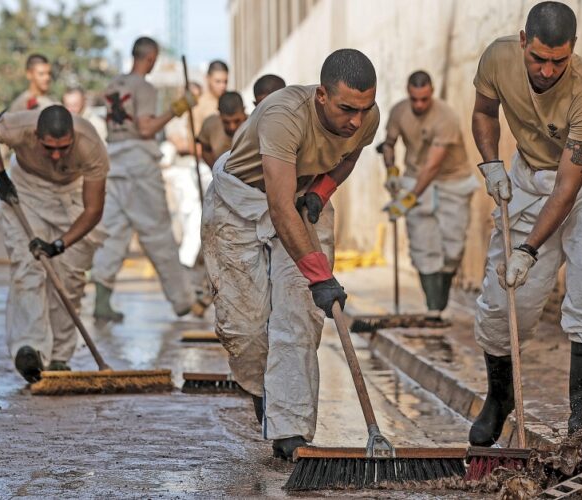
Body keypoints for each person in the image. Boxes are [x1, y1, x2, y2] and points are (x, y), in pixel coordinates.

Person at [468, 1, 582, 445]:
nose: (546, 71)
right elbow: (485, 112)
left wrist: (528, 249)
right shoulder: (497, 57)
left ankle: (580, 425)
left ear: (574, 50)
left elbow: (568, 187)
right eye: (538, 59)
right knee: (501, 304)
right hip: (530, 176)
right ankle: (499, 399)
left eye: (558, 61)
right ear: (523, 41)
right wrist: (491, 164)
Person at [202, 49, 379, 459]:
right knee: (246, 330)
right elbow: (279, 208)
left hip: (300, 200)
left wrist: (321, 191)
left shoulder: (367, 117)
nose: (356, 120)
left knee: (298, 317)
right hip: (241, 203)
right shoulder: (284, 115)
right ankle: (263, 389)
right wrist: (321, 275)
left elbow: (350, 155)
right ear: (322, 95)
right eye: (346, 108)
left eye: (364, 108)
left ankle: (291, 428)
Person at [0, 105, 109, 382]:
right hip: (26, 190)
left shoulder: (91, 144)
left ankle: (60, 357)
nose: (57, 155)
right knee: (28, 267)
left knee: (70, 278)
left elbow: (93, 210)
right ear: (36, 136)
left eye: (64, 147)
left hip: (71, 196)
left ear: (73, 136)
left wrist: (59, 245)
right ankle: (30, 350)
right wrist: (1, 175)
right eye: (49, 148)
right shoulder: (16, 126)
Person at [90, 37, 203, 323]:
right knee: (157, 232)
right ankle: (182, 300)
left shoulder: (114, 85)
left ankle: (101, 301)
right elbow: (145, 127)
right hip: (138, 163)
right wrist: (177, 107)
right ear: (151, 57)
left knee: (114, 232)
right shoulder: (145, 88)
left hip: (113, 162)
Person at [380, 71, 478, 324]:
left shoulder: (446, 117)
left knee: (452, 248)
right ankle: (433, 309)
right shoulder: (399, 111)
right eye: (414, 99)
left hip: (451, 181)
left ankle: (441, 300)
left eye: (424, 99)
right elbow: (388, 143)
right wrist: (391, 170)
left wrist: (407, 200)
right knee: (423, 244)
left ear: (431, 92)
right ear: (408, 93)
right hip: (415, 177)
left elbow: (432, 167)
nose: (419, 105)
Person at [197, 91, 247, 168]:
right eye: (226, 122)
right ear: (219, 113)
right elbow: (205, 150)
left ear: (243, 111)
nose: (232, 127)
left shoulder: (256, 125)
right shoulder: (210, 125)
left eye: (237, 121)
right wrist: (216, 170)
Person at [191, 60, 229, 136]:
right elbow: (196, 140)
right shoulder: (198, 105)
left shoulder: (231, 101)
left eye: (225, 81)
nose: (222, 86)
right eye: (218, 81)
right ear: (207, 78)